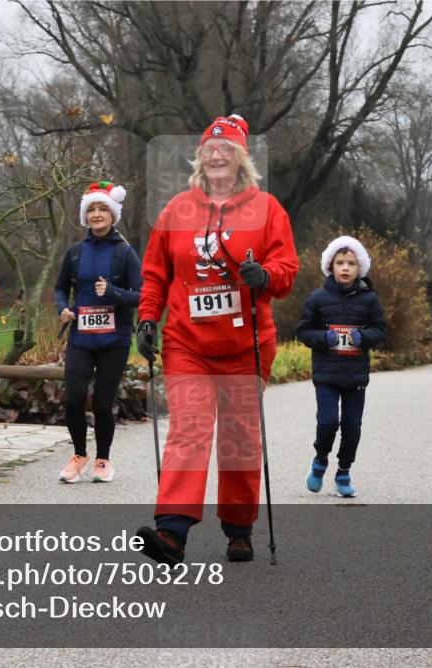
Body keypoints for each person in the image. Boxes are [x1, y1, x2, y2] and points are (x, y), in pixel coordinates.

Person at [134, 114, 298, 564]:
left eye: (227, 148)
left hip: (246, 347)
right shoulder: (175, 211)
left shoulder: (268, 210)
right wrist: (147, 320)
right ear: (201, 157)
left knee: (239, 439)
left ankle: (239, 529)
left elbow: (286, 274)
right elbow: (154, 274)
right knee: (188, 431)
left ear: (241, 158)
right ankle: (172, 532)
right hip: (187, 344)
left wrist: (263, 275)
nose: (218, 153)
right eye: (210, 147)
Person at [53, 182, 141, 483]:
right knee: (74, 399)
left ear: (113, 214)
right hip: (80, 338)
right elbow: (60, 288)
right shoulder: (76, 252)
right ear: (85, 215)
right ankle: (80, 454)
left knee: (103, 402)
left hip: (114, 340)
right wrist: (63, 308)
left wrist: (113, 292)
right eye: (91, 209)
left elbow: (142, 295)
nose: (97, 214)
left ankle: (103, 459)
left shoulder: (124, 253)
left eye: (103, 208)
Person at [296, 235, 387, 498]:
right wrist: (324, 339)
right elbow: (303, 331)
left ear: (360, 268)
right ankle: (320, 459)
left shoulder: (369, 299)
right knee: (327, 423)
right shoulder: (317, 298)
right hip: (326, 374)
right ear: (330, 267)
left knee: (352, 427)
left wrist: (364, 338)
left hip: (356, 375)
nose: (345, 268)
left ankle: (343, 471)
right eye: (340, 263)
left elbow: (380, 330)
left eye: (351, 263)